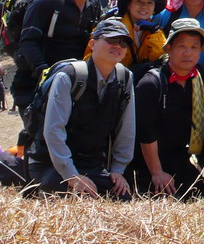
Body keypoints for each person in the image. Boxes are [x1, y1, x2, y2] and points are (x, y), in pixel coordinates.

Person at [27, 18, 136, 199]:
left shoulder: (125, 79)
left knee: (121, 197)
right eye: (111, 40)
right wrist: (71, 175)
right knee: (65, 195)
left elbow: (127, 130)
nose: (118, 46)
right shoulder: (68, 77)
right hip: (52, 164)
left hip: (91, 165)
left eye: (124, 43)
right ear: (92, 44)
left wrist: (118, 170)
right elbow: (53, 130)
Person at [131, 19, 204, 197]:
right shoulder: (152, 83)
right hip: (147, 162)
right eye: (182, 46)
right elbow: (145, 132)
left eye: (194, 47)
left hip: (178, 158)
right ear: (168, 48)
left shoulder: (199, 75)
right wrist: (157, 173)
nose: (188, 53)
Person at [11, 0, 106, 120]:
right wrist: (44, 73)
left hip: (73, 86)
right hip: (34, 86)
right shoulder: (47, 1)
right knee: (42, 142)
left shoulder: (93, 6)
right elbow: (27, 42)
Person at [84, 0, 167, 72]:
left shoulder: (154, 30)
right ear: (129, 5)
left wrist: (155, 33)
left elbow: (161, 59)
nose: (144, 6)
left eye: (149, 2)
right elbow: (91, 59)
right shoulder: (109, 27)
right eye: (139, 1)